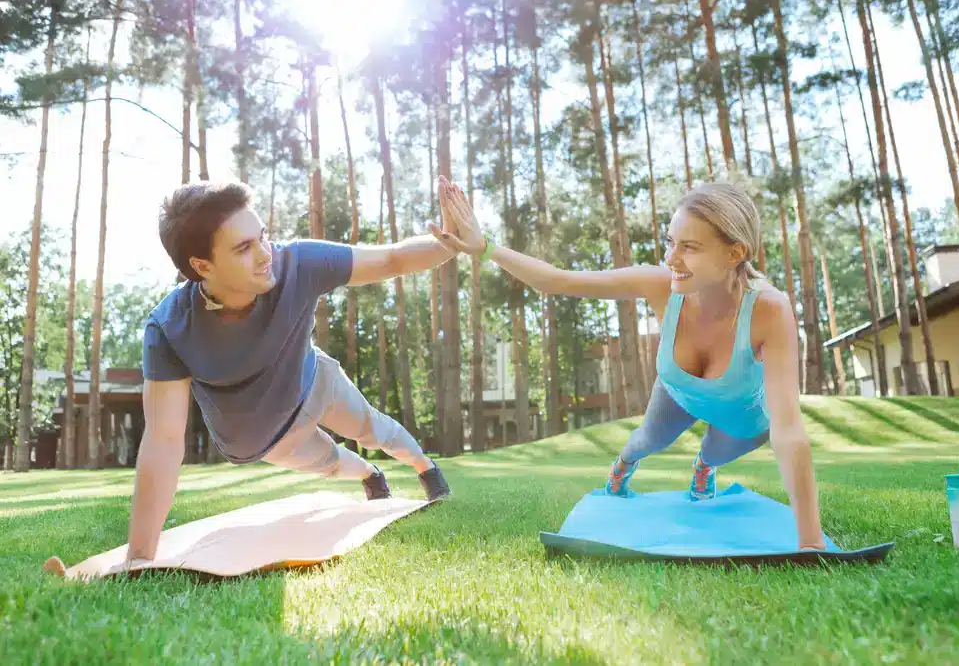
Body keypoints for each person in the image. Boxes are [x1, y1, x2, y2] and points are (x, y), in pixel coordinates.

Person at [432, 178, 825, 550]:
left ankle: (704, 467)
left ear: (735, 253)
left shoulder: (770, 309)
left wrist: (810, 543)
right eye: (670, 242)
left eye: (689, 247)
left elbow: (789, 430)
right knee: (647, 441)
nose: (672, 258)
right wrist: (484, 248)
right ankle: (624, 464)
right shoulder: (660, 284)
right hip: (676, 394)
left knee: (715, 453)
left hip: (741, 414)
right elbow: (559, 281)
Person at [124, 181, 452, 568]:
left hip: (315, 384)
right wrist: (140, 558)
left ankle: (424, 468)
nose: (265, 254)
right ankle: (370, 474)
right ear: (201, 266)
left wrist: (452, 243)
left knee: (372, 428)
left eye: (263, 237)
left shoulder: (297, 263)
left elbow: (391, 260)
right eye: (244, 248)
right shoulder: (169, 328)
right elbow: (163, 439)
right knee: (331, 463)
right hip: (268, 439)